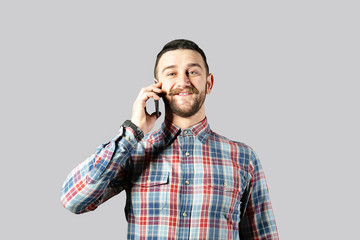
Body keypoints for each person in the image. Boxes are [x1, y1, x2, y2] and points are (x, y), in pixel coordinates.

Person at [60, 39, 279, 239]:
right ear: (157, 86)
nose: (183, 81)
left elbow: (264, 235)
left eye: (193, 72)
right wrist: (132, 132)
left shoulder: (243, 157)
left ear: (209, 83)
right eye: (171, 73)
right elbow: (73, 200)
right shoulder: (134, 151)